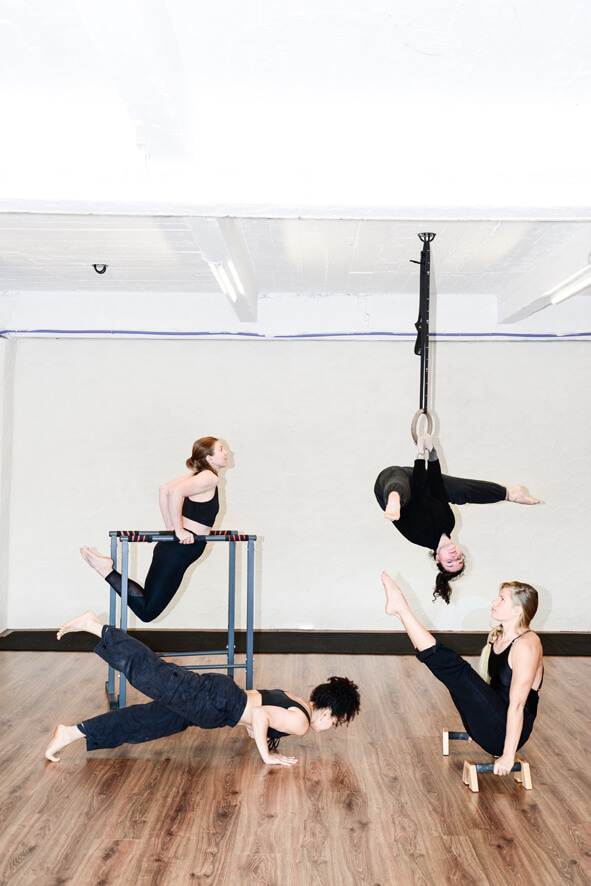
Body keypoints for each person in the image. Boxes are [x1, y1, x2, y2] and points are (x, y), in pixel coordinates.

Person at [45, 611, 360, 767]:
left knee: (145, 722)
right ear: (329, 710)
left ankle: (72, 732)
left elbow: (256, 714)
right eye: (336, 720)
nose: (332, 725)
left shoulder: (296, 700)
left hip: (218, 701)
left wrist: (255, 732)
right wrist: (268, 757)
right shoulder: (302, 723)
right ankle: (95, 626)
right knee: (151, 674)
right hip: (214, 704)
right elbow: (261, 716)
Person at [381, 571, 543, 776]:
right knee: (454, 678)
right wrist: (479, 718)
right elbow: (491, 689)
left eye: (502, 599)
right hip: (493, 724)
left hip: (506, 736)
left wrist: (508, 755)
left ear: (518, 611)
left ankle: (402, 610)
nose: (494, 601)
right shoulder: (500, 636)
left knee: (458, 672)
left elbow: (519, 705)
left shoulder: (527, 645)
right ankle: (400, 613)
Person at [374, 434, 540, 603]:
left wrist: (420, 455)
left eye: (449, 561)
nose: (454, 556)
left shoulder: (421, 534)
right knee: (457, 492)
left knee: (402, 490)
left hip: (390, 483)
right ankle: (509, 494)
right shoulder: (449, 524)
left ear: (438, 558)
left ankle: (394, 499)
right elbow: (437, 489)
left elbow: (419, 491)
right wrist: (432, 454)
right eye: (459, 558)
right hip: (417, 480)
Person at [80, 437, 228, 621]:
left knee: (147, 604)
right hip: (181, 550)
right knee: (148, 612)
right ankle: (106, 570)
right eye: (221, 449)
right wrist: (179, 530)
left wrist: (171, 527)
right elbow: (174, 493)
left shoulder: (199, 476)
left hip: (175, 549)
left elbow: (164, 489)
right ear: (210, 458)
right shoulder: (209, 477)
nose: (226, 452)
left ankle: (106, 571)